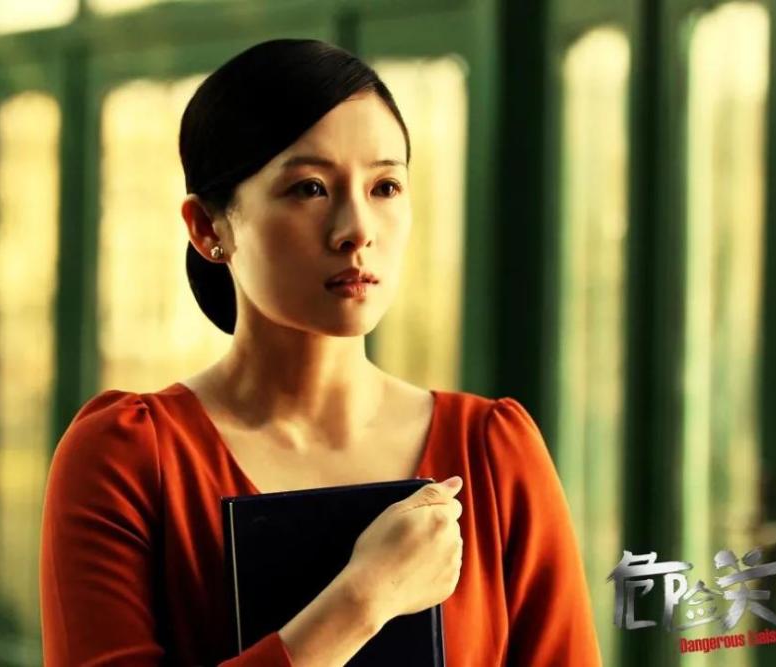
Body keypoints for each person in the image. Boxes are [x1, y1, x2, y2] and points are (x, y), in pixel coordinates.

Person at [39, 39, 600, 666]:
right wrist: (362, 601)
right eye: (309, 188)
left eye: (385, 186)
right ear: (208, 227)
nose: (357, 229)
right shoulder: (128, 459)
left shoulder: (492, 454)